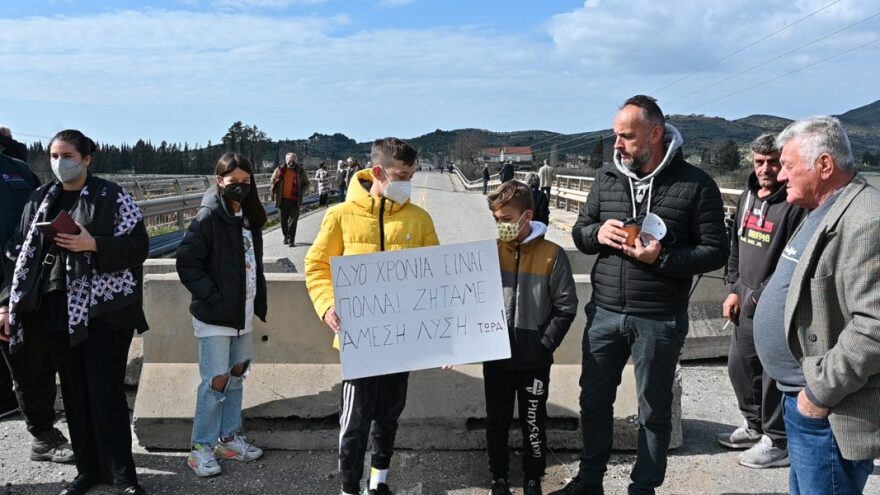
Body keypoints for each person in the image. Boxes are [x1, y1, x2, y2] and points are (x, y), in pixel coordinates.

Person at [555, 95, 728, 495]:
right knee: (594, 402)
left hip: (660, 317)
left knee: (654, 410)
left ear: (656, 134)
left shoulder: (696, 184)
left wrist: (662, 257)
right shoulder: (606, 179)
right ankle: (589, 480)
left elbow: (716, 250)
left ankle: (643, 487)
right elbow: (581, 233)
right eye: (616, 135)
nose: (618, 144)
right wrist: (596, 234)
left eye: (627, 137)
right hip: (605, 313)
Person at [0, 129, 149, 495]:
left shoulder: (112, 197)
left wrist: (93, 243)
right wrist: (6, 301)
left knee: (106, 393)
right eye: (54, 155)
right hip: (53, 311)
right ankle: (88, 471)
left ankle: (123, 477)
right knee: (74, 393)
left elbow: (138, 246)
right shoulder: (39, 199)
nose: (59, 163)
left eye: (67, 155)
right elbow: (16, 254)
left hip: (105, 312)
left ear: (86, 159)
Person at [304, 137, 439, 495]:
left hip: (401, 340)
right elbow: (317, 266)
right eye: (402, 175)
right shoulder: (340, 215)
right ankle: (350, 486)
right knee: (355, 420)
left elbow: (438, 278)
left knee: (389, 416)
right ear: (379, 172)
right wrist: (327, 305)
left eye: (412, 175)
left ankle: (379, 482)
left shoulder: (419, 218)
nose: (408, 183)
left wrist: (445, 340)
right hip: (359, 339)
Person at [753, 116, 879, 495]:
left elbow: (874, 326)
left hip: (828, 409)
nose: (780, 176)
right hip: (802, 400)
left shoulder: (867, 220)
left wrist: (817, 395)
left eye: (789, 166)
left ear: (824, 165)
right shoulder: (822, 208)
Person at [716, 133, 806, 468]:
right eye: (759, 162)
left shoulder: (792, 204)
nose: (766, 169)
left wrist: (759, 297)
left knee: (772, 375)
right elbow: (735, 246)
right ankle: (753, 426)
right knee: (740, 366)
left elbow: (790, 259)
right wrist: (732, 289)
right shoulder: (747, 197)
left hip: (772, 303)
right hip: (743, 298)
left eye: (773, 162)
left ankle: (777, 440)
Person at [176, 152, 267, 478]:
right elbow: (187, 261)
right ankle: (200, 447)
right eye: (233, 182)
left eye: (246, 181)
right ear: (219, 181)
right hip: (216, 315)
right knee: (215, 380)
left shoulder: (249, 215)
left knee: (237, 373)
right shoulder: (209, 216)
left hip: (242, 313)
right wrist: (213, 297)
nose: (240, 188)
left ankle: (229, 437)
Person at [484, 181, 578, 495]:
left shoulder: (553, 255)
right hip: (496, 357)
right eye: (497, 220)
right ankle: (498, 476)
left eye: (507, 219)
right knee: (496, 422)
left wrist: (544, 344)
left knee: (534, 422)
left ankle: (533, 477)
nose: (501, 226)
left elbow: (566, 306)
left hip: (533, 359)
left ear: (527, 216)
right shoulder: (489, 253)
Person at [0, 147, 77, 464]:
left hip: (30, 286)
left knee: (33, 362)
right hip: (6, 292)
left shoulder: (16, 169)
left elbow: (41, 217)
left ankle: (42, 434)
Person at [269, 152, 309, 247]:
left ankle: (291, 240)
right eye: (289, 159)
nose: (291, 161)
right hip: (282, 200)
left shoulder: (300, 171)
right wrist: (274, 187)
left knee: (293, 221)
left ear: (296, 160)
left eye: (293, 159)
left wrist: (301, 193)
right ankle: (286, 236)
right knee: (283, 221)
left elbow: (306, 183)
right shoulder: (279, 170)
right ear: (286, 160)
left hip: (295, 199)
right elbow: (272, 180)